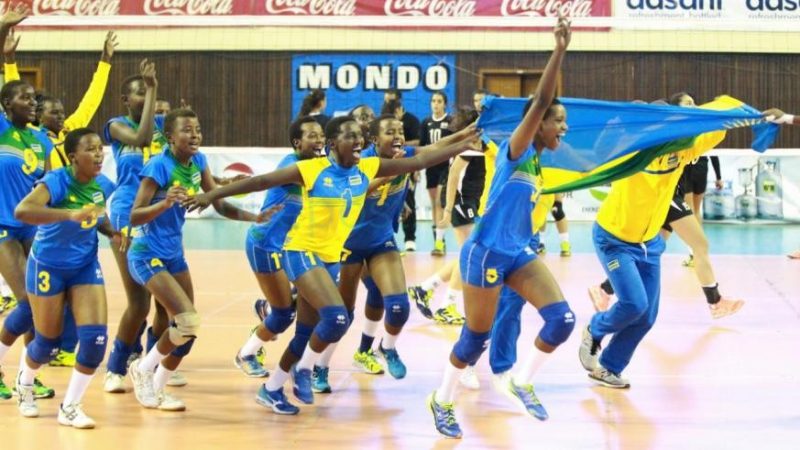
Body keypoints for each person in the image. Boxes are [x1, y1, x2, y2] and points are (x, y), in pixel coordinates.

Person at [184, 115, 481, 415]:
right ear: (332, 144)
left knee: (305, 333)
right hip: (300, 252)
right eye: (350, 136)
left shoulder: (367, 167)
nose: (358, 141)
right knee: (337, 318)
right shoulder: (312, 169)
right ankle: (305, 368)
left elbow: (420, 161)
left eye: (359, 136)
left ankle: (271, 389)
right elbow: (260, 181)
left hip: (329, 257)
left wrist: (461, 144)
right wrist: (211, 194)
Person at [428, 17, 573, 439]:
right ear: (538, 122)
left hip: (517, 253)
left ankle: (521, 381)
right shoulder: (516, 148)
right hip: (486, 252)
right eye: (558, 120)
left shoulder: (537, 163)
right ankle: (442, 399)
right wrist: (559, 50)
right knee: (475, 338)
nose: (564, 128)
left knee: (561, 320)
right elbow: (541, 99)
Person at [578, 98, 788, 389]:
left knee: (646, 316)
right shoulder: (628, 148)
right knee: (634, 304)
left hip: (648, 244)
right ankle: (595, 329)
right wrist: (615, 122)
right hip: (614, 238)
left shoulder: (682, 148)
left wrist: (757, 116)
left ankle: (610, 367)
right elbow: (597, 153)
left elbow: (720, 120)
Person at [126, 108, 263, 411]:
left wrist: (256, 218)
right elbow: (134, 216)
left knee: (187, 329)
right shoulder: (158, 166)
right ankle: (142, 369)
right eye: (187, 130)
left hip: (174, 254)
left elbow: (218, 204)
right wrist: (164, 204)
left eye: (198, 129)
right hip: (146, 253)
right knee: (187, 321)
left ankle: (157, 388)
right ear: (170, 137)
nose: (195, 135)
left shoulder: (198, 162)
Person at [5, 29, 118, 368]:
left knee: (51, 303)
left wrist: (104, 63)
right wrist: (8, 57)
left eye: (58, 110)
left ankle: (40, 363)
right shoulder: (15, 132)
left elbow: (90, 102)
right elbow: (10, 93)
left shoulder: (54, 138)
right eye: (48, 110)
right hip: (12, 222)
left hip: (40, 226)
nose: (56, 114)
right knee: (30, 302)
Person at [13, 128, 115, 428]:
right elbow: (23, 210)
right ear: (73, 157)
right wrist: (69, 214)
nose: (98, 155)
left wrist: (112, 231)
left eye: (100, 149)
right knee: (47, 344)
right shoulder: (56, 181)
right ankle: (25, 382)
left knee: (95, 341)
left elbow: (98, 215)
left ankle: (70, 406)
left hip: (84, 265)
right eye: (90, 149)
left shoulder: (103, 185)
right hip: (48, 265)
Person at [233, 116, 325, 378]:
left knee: (309, 295)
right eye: (312, 136)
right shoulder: (294, 167)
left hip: (288, 246)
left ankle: (268, 307)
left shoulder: (315, 165)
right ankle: (246, 354)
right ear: (297, 142)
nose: (319, 140)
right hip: (265, 245)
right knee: (284, 315)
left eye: (321, 135)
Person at [103, 59, 172, 393]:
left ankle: (150, 363)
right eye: (139, 93)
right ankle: (115, 367)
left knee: (166, 303)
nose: (145, 98)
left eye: (148, 92)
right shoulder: (116, 126)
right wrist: (154, 88)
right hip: (127, 213)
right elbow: (142, 138)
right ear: (125, 100)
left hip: (160, 214)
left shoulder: (162, 125)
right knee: (139, 302)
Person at [0, 4, 57, 401]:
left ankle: (27, 375)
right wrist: (2, 30)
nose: (32, 102)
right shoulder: (2, 127)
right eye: (23, 97)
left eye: (33, 97)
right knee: (25, 300)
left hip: (32, 228)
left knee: (39, 302)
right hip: (3, 225)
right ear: (7, 106)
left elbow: (51, 186)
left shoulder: (40, 140)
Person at [588, 180, 744, 319]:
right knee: (700, 244)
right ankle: (715, 302)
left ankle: (604, 289)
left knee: (652, 249)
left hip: (670, 190)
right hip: (665, 194)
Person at [409, 107, 485, 326]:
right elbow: (453, 177)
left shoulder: (478, 145)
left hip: (468, 203)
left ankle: (425, 289)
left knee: (466, 255)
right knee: (468, 255)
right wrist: (449, 209)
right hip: (461, 202)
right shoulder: (469, 147)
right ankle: (447, 306)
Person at [671, 92, 723, 267]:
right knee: (690, 209)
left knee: (695, 210)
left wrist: (719, 176)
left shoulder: (701, 124)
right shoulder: (676, 127)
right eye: (688, 103)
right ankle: (694, 252)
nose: (693, 106)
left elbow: (713, 151)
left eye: (693, 102)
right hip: (685, 166)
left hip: (700, 165)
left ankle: (695, 253)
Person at [381, 97, 420, 252]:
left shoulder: (411, 120)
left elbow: (419, 148)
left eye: (400, 132)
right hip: (387, 172)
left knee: (408, 201)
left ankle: (410, 238)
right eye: (391, 132)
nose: (396, 135)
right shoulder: (371, 154)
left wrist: (415, 170)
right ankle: (387, 238)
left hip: (405, 168)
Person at [420, 91, 453, 256]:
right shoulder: (426, 122)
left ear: (445, 104)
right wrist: (416, 170)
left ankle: (440, 242)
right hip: (430, 166)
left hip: (445, 166)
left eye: (439, 101)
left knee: (440, 202)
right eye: (433, 101)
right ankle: (438, 240)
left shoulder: (451, 121)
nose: (436, 104)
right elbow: (421, 146)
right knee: (434, 203)